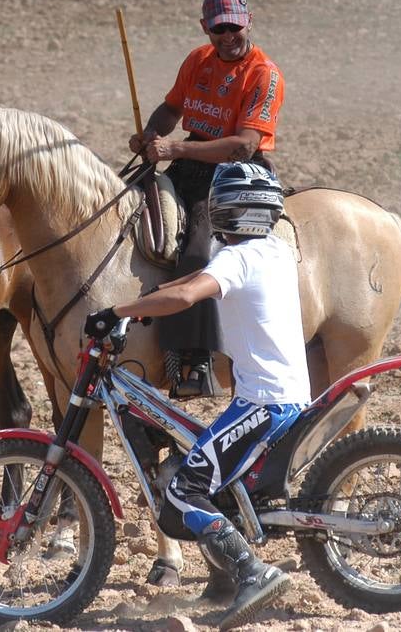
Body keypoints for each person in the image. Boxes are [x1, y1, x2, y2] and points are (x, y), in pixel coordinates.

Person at [84, 162, 305, 632]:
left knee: (184, 489)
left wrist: (116, 311)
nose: (212, 211)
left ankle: (252, 571)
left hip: (262, 406)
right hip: (283, 399)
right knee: (209, 472)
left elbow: (187, 298)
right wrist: (146, 307)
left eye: (218, 203)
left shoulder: (237, 258)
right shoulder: (275, 251)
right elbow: (185, 287)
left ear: (236, 211)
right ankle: (224, 578)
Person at [128, 0, 284, 398]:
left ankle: (194, 359)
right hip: (190, 162)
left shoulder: (263, 74)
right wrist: (150, 134)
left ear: (248, 21)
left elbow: (245, 144)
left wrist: (174, 147)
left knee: (197, 251)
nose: (229, 36)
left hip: (236, 178)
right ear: (205, 29)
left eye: (234, 27)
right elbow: (171, 109)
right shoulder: (198, 60)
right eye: (219, 30)